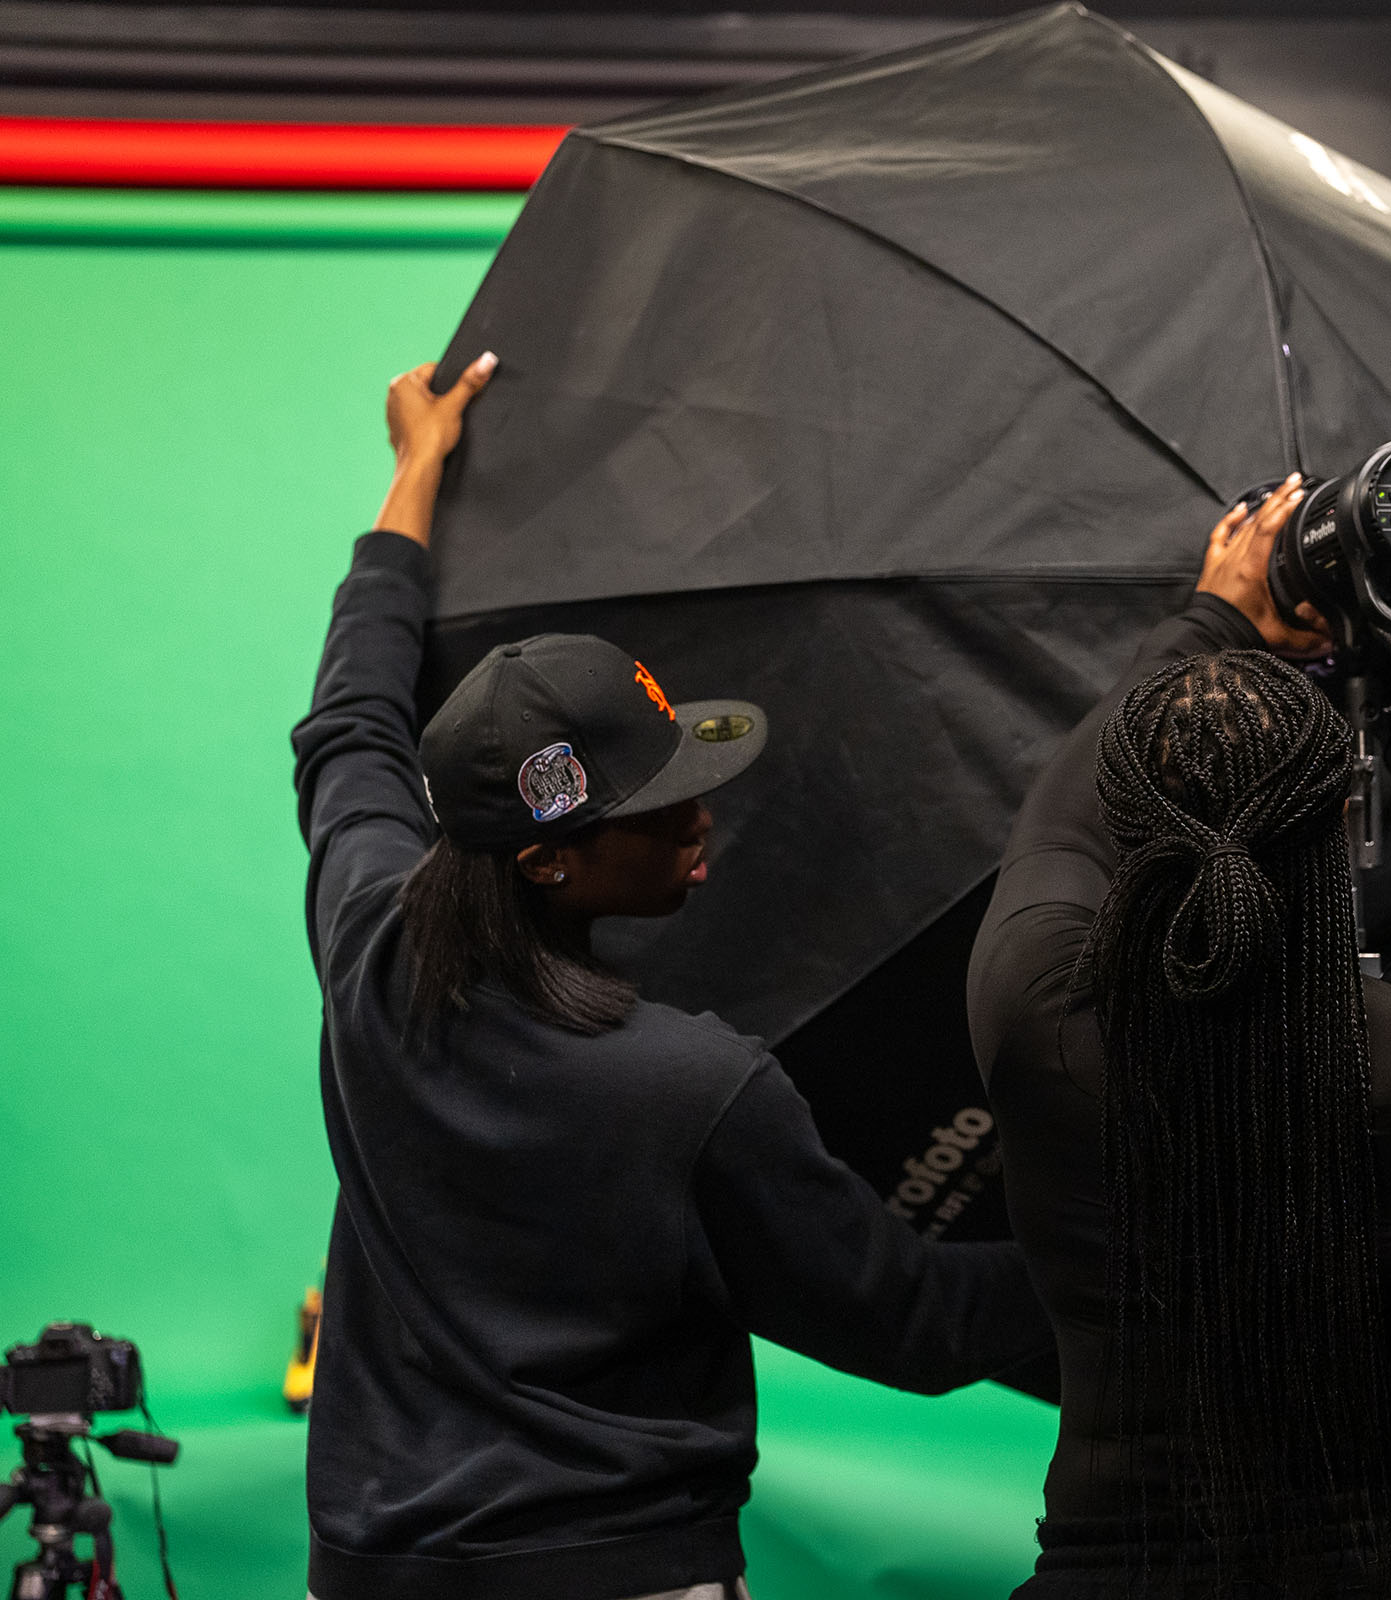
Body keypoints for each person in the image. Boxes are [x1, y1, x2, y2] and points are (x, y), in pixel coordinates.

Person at [292, 353, 1051, 1600]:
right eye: (661, 807)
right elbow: (908, 1322)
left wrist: (413, 471)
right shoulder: (694, 1088)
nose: (703, 818)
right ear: (548, 859)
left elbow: (349, 718)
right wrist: (1126, 1244)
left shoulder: (367, 938)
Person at [967, 476, 1391, 1597]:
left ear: (1128, 833)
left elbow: (1053, 824)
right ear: (1343, 813)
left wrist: (1213, 618)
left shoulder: (1039, 1025)